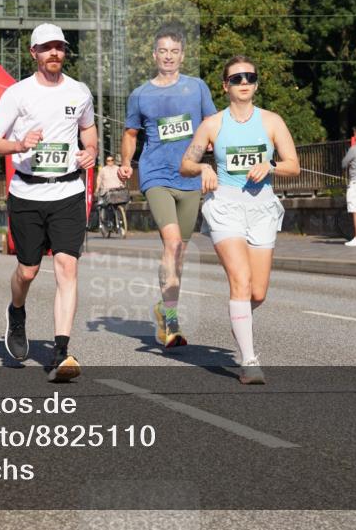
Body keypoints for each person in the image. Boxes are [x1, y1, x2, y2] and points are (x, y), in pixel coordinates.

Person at [0, 22, 97, 382]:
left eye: (59, 47)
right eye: (46, 47)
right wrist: (19, 145)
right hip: (27, 193)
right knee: (28, 270)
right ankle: (17, 311)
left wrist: (90, 151)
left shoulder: (79, 92)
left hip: (67, 192)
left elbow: (88, 132)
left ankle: (60, 352)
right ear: (33, 53)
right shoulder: (18, 94)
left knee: (67, 267)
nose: (54, 53)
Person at [180, 56, 299, 384]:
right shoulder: (213, 125)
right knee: (241, 282)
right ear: (225, 86)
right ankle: (249, 361)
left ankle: (239, 312)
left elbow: (294, 164)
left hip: (261, 208)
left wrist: (271, 166)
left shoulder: (272, 121)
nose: (244, 82)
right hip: (225, 208)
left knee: (257, 293)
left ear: (256, 83)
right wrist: (203, 167)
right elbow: (185, 164)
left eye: (249, 77)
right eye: (237, 78)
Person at [119, 25, 217, 348]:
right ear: (154, 55)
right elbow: (131, 134)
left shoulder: (197, 88)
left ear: (182, 55)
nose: (169, 57)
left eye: (175, 52)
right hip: (156, 174)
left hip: (188, 176)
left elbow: (212, 124)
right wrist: (124, 163)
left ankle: (165, 310)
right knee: (172, 242)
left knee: (181, 251)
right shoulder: (140, 95)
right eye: (163, 51)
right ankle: (172, 322)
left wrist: (217, 149)